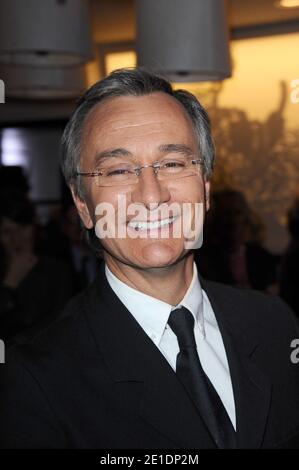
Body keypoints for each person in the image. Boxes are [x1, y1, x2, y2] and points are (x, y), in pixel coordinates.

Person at [0, 68, 298, 449]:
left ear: (205, 189)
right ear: (83, 206)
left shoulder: (275, 324)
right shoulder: (35, 376)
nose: (151, 196)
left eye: (173, 163)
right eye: (119, 170)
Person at [0, 190, 74, 346]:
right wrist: (10, 284)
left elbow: (62, 332)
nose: (16, 238)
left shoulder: (58, 271)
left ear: (34, 227)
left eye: (22, 228)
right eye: (7, 231)